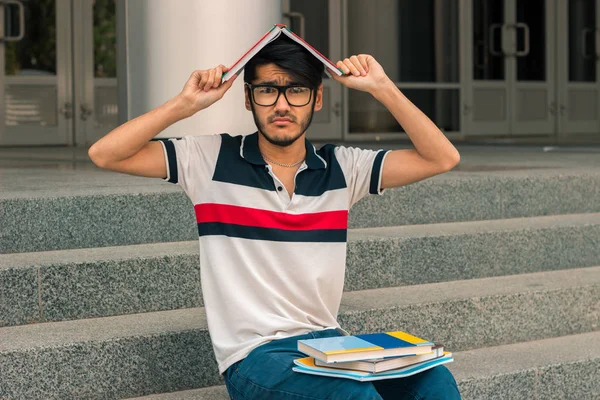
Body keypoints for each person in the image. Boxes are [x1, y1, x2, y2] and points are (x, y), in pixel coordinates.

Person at [88, 35, 461, 400]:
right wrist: (185, 104)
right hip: (255, 357)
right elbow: (105, 154)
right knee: (350, 395)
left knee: (433, 380)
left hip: (329, 344)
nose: (282, 105)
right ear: (249, 99)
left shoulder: (343, 168)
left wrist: (382, 87)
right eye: (267, 90)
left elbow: (441, 158)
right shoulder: (208, 160)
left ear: (317, 98)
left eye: (296, 90)